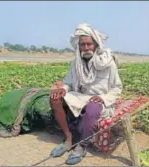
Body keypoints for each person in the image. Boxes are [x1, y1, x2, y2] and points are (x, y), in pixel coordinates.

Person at [50, 23, 123, 165]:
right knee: (55, 99)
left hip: (100, 101)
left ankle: (81, 146)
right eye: (83, 45)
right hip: (80, 96)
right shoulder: (75, 63)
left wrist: (103, 98)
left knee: (92, 107)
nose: (86, 48)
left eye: (89, 44)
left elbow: (116, 88)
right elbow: (69, 82)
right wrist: (64, 89)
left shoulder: (108, 63)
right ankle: (68, 139)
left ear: (96, 45)